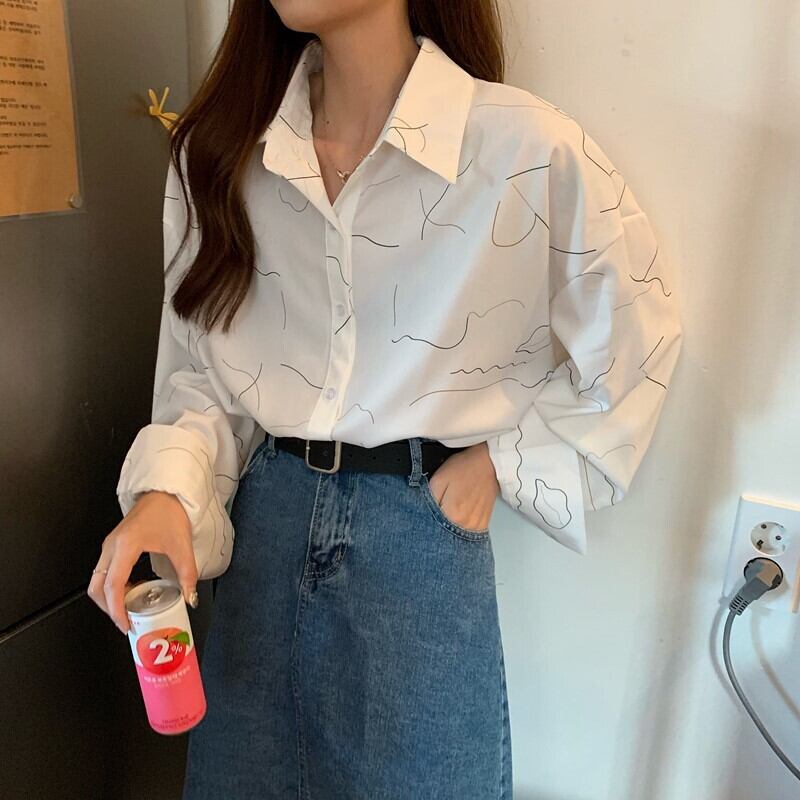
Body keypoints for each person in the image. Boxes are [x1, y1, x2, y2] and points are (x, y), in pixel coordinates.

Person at [88, 0, 682, 797]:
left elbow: (639, 339)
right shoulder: (221, 151)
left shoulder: (523, 149)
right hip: (264, 534)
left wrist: (501, 466)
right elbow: (205, 375)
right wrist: (168, 491)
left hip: (419, 546)